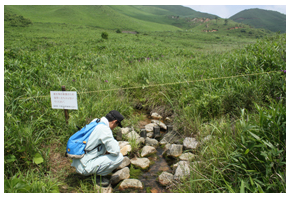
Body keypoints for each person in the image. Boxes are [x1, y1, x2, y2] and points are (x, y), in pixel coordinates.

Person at [71, 110, 124, 182]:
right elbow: (115, 151)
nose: (115, 127)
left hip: (79, 160)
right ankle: (96, 177)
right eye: (116, 125)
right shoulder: (104, 129)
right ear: (114, 122)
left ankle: (92, 171)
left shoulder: (96, 121)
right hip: (84, 167)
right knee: (119, 157)